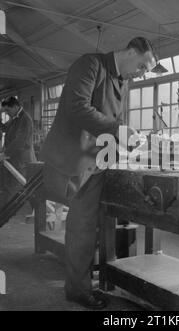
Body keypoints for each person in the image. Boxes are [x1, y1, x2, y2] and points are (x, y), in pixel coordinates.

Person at [40, 37, 157, 309]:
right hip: (76, 159)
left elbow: (114, 120)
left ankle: (92, 279)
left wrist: (128, 139)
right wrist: (119, 131)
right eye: (141, 66)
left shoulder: (122, 79)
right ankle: (78, 290)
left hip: (99, 159)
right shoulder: (90, 64)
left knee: (90, 225)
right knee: (82, 227)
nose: (140, 74)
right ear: (130, 52)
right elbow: (78, 108)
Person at [0, 97, 36, 205]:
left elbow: (20, 141)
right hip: (13, 158)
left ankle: (5, 213)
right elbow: (5, 128)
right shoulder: (15, 117)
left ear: (15, 107)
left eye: (8, 110)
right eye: (5, 111)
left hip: (22, 161)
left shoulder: (25, 119)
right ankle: (6, 209)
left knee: (13, 187)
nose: (6, 113)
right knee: (8, 186)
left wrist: (5, 153)